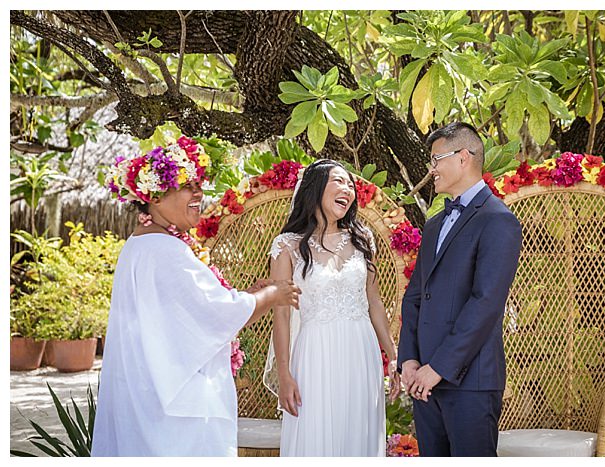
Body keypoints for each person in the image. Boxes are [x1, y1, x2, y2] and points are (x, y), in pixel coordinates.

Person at [92, 136, 301, 456]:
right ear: (156, 197)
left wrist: (247, 296)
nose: (199, 193)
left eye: (199, 184)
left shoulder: (143, 244)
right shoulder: (163, 250)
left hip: (151, 396)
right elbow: (218, 314)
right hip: (171, 410)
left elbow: (202, 314)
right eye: (188, 186)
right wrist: (273, 293)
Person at [397, 122, 522, 456]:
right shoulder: (435, 223)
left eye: (436, 159)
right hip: (423, 381)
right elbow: (415, 296)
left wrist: (438, 368)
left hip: (470, 382)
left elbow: (486, 304)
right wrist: (409, 359)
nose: (431, 169)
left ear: (464, 157)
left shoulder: (498, 220)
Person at [264, 159, 401, 456]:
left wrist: (393, 355)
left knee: (358, 433)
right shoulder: (287, 246)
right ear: (315, 189)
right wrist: (285, 374)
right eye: (339, 181)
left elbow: (374, 301)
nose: (348, 189)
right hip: (315, 354)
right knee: (316, 435)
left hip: (360, 351)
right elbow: (282, 314)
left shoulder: (363, 239)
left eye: (351, 184)